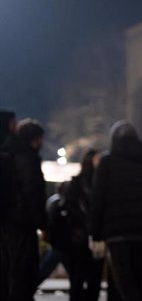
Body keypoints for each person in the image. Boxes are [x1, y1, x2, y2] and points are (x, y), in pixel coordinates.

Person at [90, 121, 142, 301]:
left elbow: (98, 199)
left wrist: (95, 232)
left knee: (122, 281)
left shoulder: (107, 163)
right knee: (139, 280)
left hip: (117, 232)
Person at [0, 119, 48, 301]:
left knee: (7, 270)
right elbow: (33, 192)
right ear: (35, 139)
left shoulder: (7, 153)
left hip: (5, 221)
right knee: (23, 272)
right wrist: (43, 224)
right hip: (22, 223)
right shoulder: (28, 158)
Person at [62, 149, 104, 301]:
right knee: (78, 278)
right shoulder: (77, 184)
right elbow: (71, 209)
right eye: (97, 159)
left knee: (94, 281)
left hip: (95, 237)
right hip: (80, 238)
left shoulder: (102, 183)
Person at [38, 183, 71, 285]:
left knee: (44, 269)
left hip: (57, 243)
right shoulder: (62, 202)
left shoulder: (53, 201)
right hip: (62, 243)